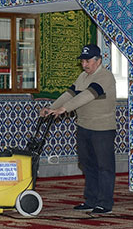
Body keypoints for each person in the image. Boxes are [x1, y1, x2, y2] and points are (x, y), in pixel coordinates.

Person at [40, 44, 116, 214]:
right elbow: (70, 94)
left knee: (104, 167)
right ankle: (91, 200)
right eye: (82, 61)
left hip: (102, 128)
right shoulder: (82, 77)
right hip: (84, 127)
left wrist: (64, 109)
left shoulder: (106, 77)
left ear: (98, 61)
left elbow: (87, 95)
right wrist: (52, 107)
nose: (84, 64)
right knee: (88, 165)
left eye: (88, 61)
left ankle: (104, 204)